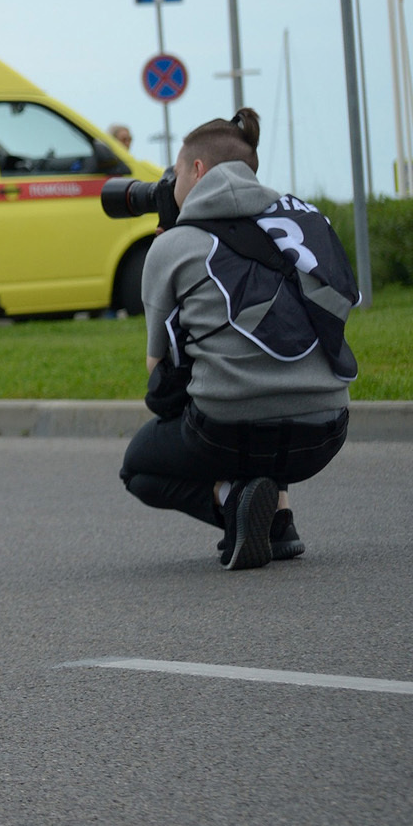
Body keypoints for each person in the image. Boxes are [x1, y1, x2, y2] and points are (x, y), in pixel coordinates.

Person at [120, 109, 354, 570]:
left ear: (198, 170)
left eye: (176, 172)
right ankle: (280, 522)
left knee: (139, 467)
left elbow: (159, 370)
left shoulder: (173, 246)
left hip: (226, 430)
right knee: (265, 364)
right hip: (326, 429)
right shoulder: (308, 224)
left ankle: (233, 500)